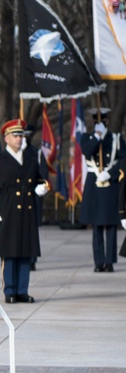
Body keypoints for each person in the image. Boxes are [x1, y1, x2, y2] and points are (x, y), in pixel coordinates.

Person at [0, 118, 49, 304]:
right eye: (15, 135)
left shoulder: (30, 159)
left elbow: (39, 179)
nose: (19, 139)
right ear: (6, 138)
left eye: (21, 135)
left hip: (27, 211)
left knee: (25, 252)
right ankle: (10, 290)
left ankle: (22, 290)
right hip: (8, 210)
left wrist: (40, 188)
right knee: (10, 252)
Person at [78, 107, 121, 272]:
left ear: (107, 121)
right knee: (96, 225)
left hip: (109, 184)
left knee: (110, 225)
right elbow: (87, 151)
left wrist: (110, 173)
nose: (99, 124)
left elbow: (123, 161)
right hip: (94, 184)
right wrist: (97, 137)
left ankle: (109, 261)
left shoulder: (116, 139)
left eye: (102, 121)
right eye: (96, 121)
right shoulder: (87, 137)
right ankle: (98, 262)